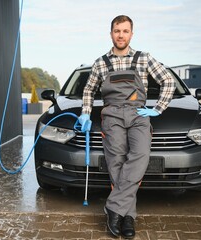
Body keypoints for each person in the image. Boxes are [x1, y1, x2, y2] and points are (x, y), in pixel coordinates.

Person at [78, 15, 176, 239]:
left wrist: (158, 108)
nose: (120, 35)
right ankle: (127, 216)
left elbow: (168, 80)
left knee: (140, 156)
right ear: (111, 33)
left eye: (125, 31)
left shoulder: (144, 58)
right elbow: (88, 90)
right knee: (117, 163)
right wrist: (84, 112)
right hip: (111, 115)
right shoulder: (101, 63)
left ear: (132, 34)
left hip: (138, 114)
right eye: (116, 30)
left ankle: (113, 207)